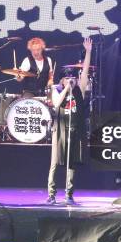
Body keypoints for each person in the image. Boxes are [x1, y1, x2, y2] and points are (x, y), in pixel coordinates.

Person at [47, 37, 92, 205]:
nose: (71, 81)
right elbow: (57, 104)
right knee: (55, 162)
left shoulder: (79, 90)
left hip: (74, 130)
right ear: (62, 80)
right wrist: (66, 88)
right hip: (59, 130)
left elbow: (85, 70)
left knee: (70, 163)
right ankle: (51, 194)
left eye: (72, 79)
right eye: (67, 79)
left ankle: (69, 194)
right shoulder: (56, 89)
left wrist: (88, 52)